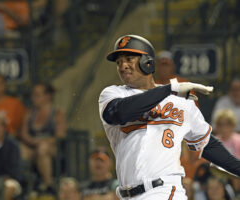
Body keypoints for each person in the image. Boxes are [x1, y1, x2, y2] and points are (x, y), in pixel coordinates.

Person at [98, 34, 240, 199]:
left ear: (147, 62)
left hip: (165, 190)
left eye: (129, 59)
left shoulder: (180, 100)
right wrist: (169, 89)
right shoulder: (114, 94)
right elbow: (118, 113)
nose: (123, 66)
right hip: (128, 194)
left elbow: (207, 144)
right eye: (119, 62)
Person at [19, 83, 67, 193]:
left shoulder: (57, 112)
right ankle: (25, 185)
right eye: (33, 95)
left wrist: (42, 142)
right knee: (20, 150)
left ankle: (48, 184)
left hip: (52, 148)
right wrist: (33, 141)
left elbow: (60, 135)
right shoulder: (30, 113)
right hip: (33, 146)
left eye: (37, 95)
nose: (34, 98)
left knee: (42, 149)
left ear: (47, 96)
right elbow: (24, 134)